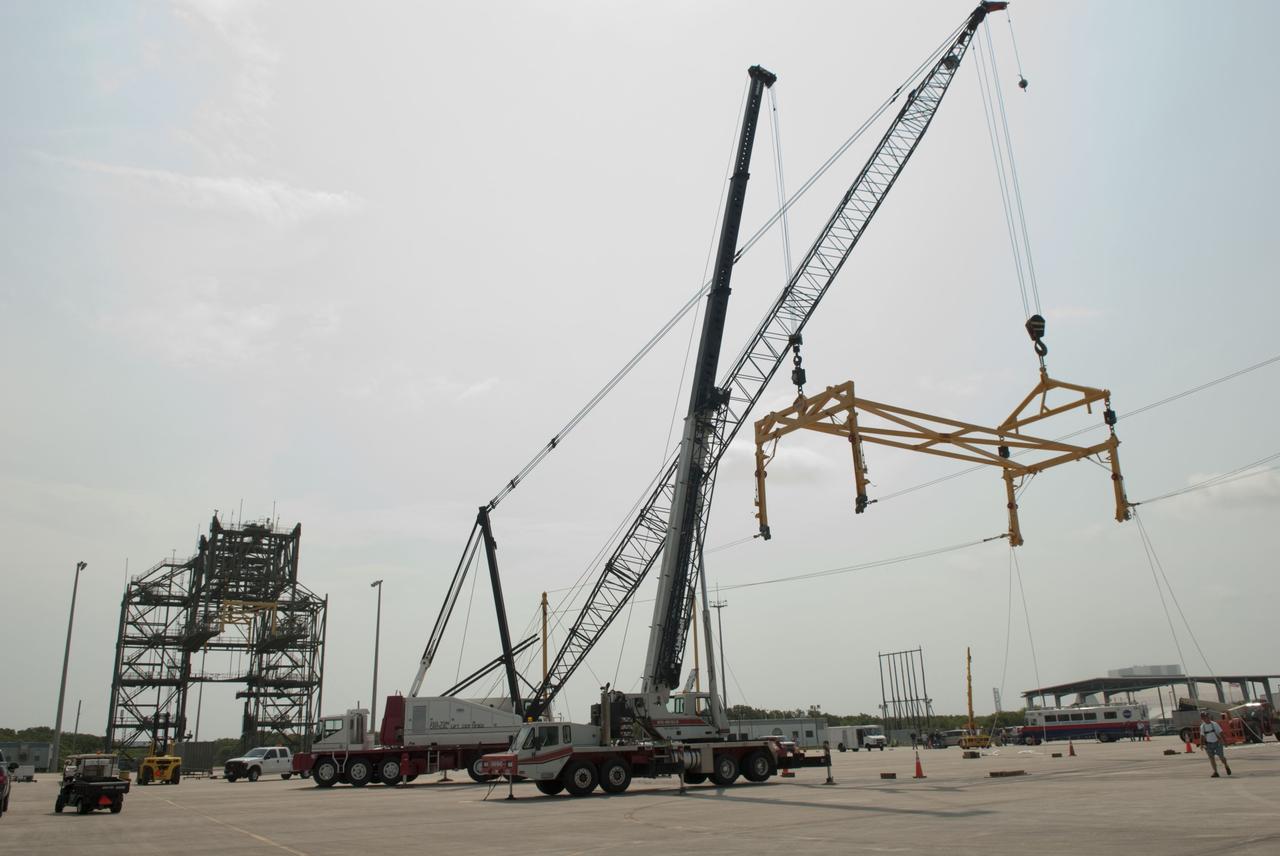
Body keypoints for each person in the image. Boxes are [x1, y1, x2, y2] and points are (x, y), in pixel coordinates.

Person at [1199, 711, 1232, 778]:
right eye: (1204, 718)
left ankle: (1226, 765)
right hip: (1208, 744)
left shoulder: (1214, 724)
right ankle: (1215, 772)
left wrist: (1225, 742)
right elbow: (1202, 736)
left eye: (1207, 717)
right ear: (1202, 719)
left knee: (1221, 757)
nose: (1206, 719)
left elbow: (1221, 733)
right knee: (1211, 758)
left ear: (1209, 717)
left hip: (1217, 743)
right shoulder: (1202, 726)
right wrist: (1201, 744)